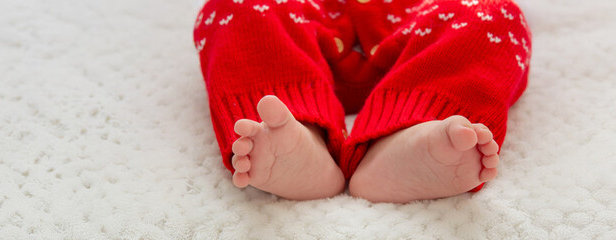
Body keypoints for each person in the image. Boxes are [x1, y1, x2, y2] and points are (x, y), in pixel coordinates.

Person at [193, 0, 531, 203]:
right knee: (237, 6)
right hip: (301, 28)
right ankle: (295, 136)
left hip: (421, 35)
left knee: (492, 13)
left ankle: (410, 140)